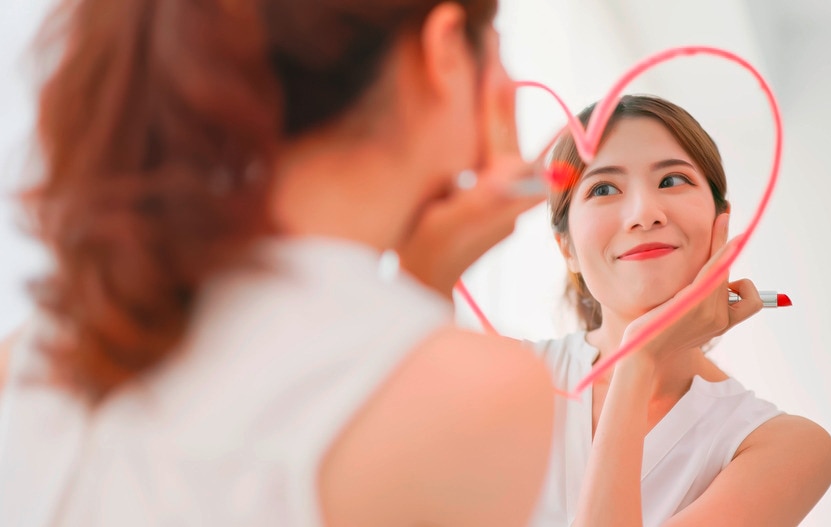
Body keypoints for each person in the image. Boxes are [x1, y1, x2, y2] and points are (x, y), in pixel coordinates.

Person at [0, 1, 555, 525]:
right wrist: (422, 289)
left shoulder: (49, 346)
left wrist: (422, 283)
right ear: (447, 51)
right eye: (496, 47)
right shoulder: (486, 394)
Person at [528, 95, 831, 527]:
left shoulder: (786, 447)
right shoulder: (501, 376)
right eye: (603, 188)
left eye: (672, 180)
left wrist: (638, 359)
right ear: (568, 249)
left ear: (720, 222)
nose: (644, 214)